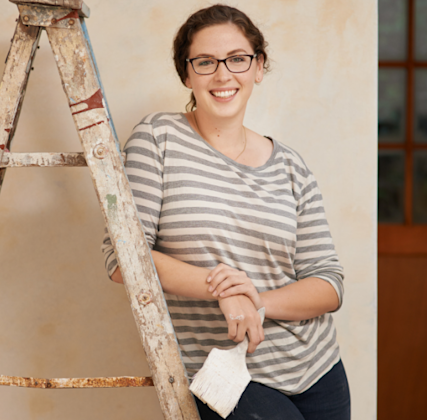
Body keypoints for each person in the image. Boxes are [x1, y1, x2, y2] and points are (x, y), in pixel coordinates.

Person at [101, 4, 350, 419]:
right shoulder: (157, 139)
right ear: (186, 73)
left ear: (258, 67)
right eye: (205, 62)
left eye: (237, 59)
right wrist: (223, 289)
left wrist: (255, 301)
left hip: (318, 369)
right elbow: (122, 259)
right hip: (226, 373)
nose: (222, 75)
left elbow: (328, 283)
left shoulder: (291, 166)